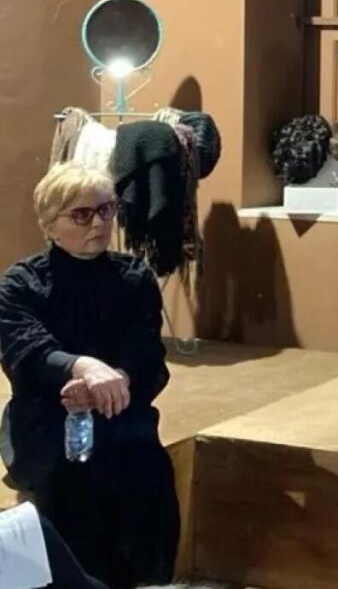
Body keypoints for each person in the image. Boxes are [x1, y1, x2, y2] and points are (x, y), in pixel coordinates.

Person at [0, 163, 180, 589]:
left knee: (147, 476)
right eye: (82, 215)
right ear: (50, 224)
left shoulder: (133, 278)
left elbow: (147, 356)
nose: (98, 223)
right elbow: (27, 351)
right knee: (69, 486)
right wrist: (81, 368)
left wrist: (115, 381)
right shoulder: (21, 283)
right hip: (46, 421)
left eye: (105, 210)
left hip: (120, 418)